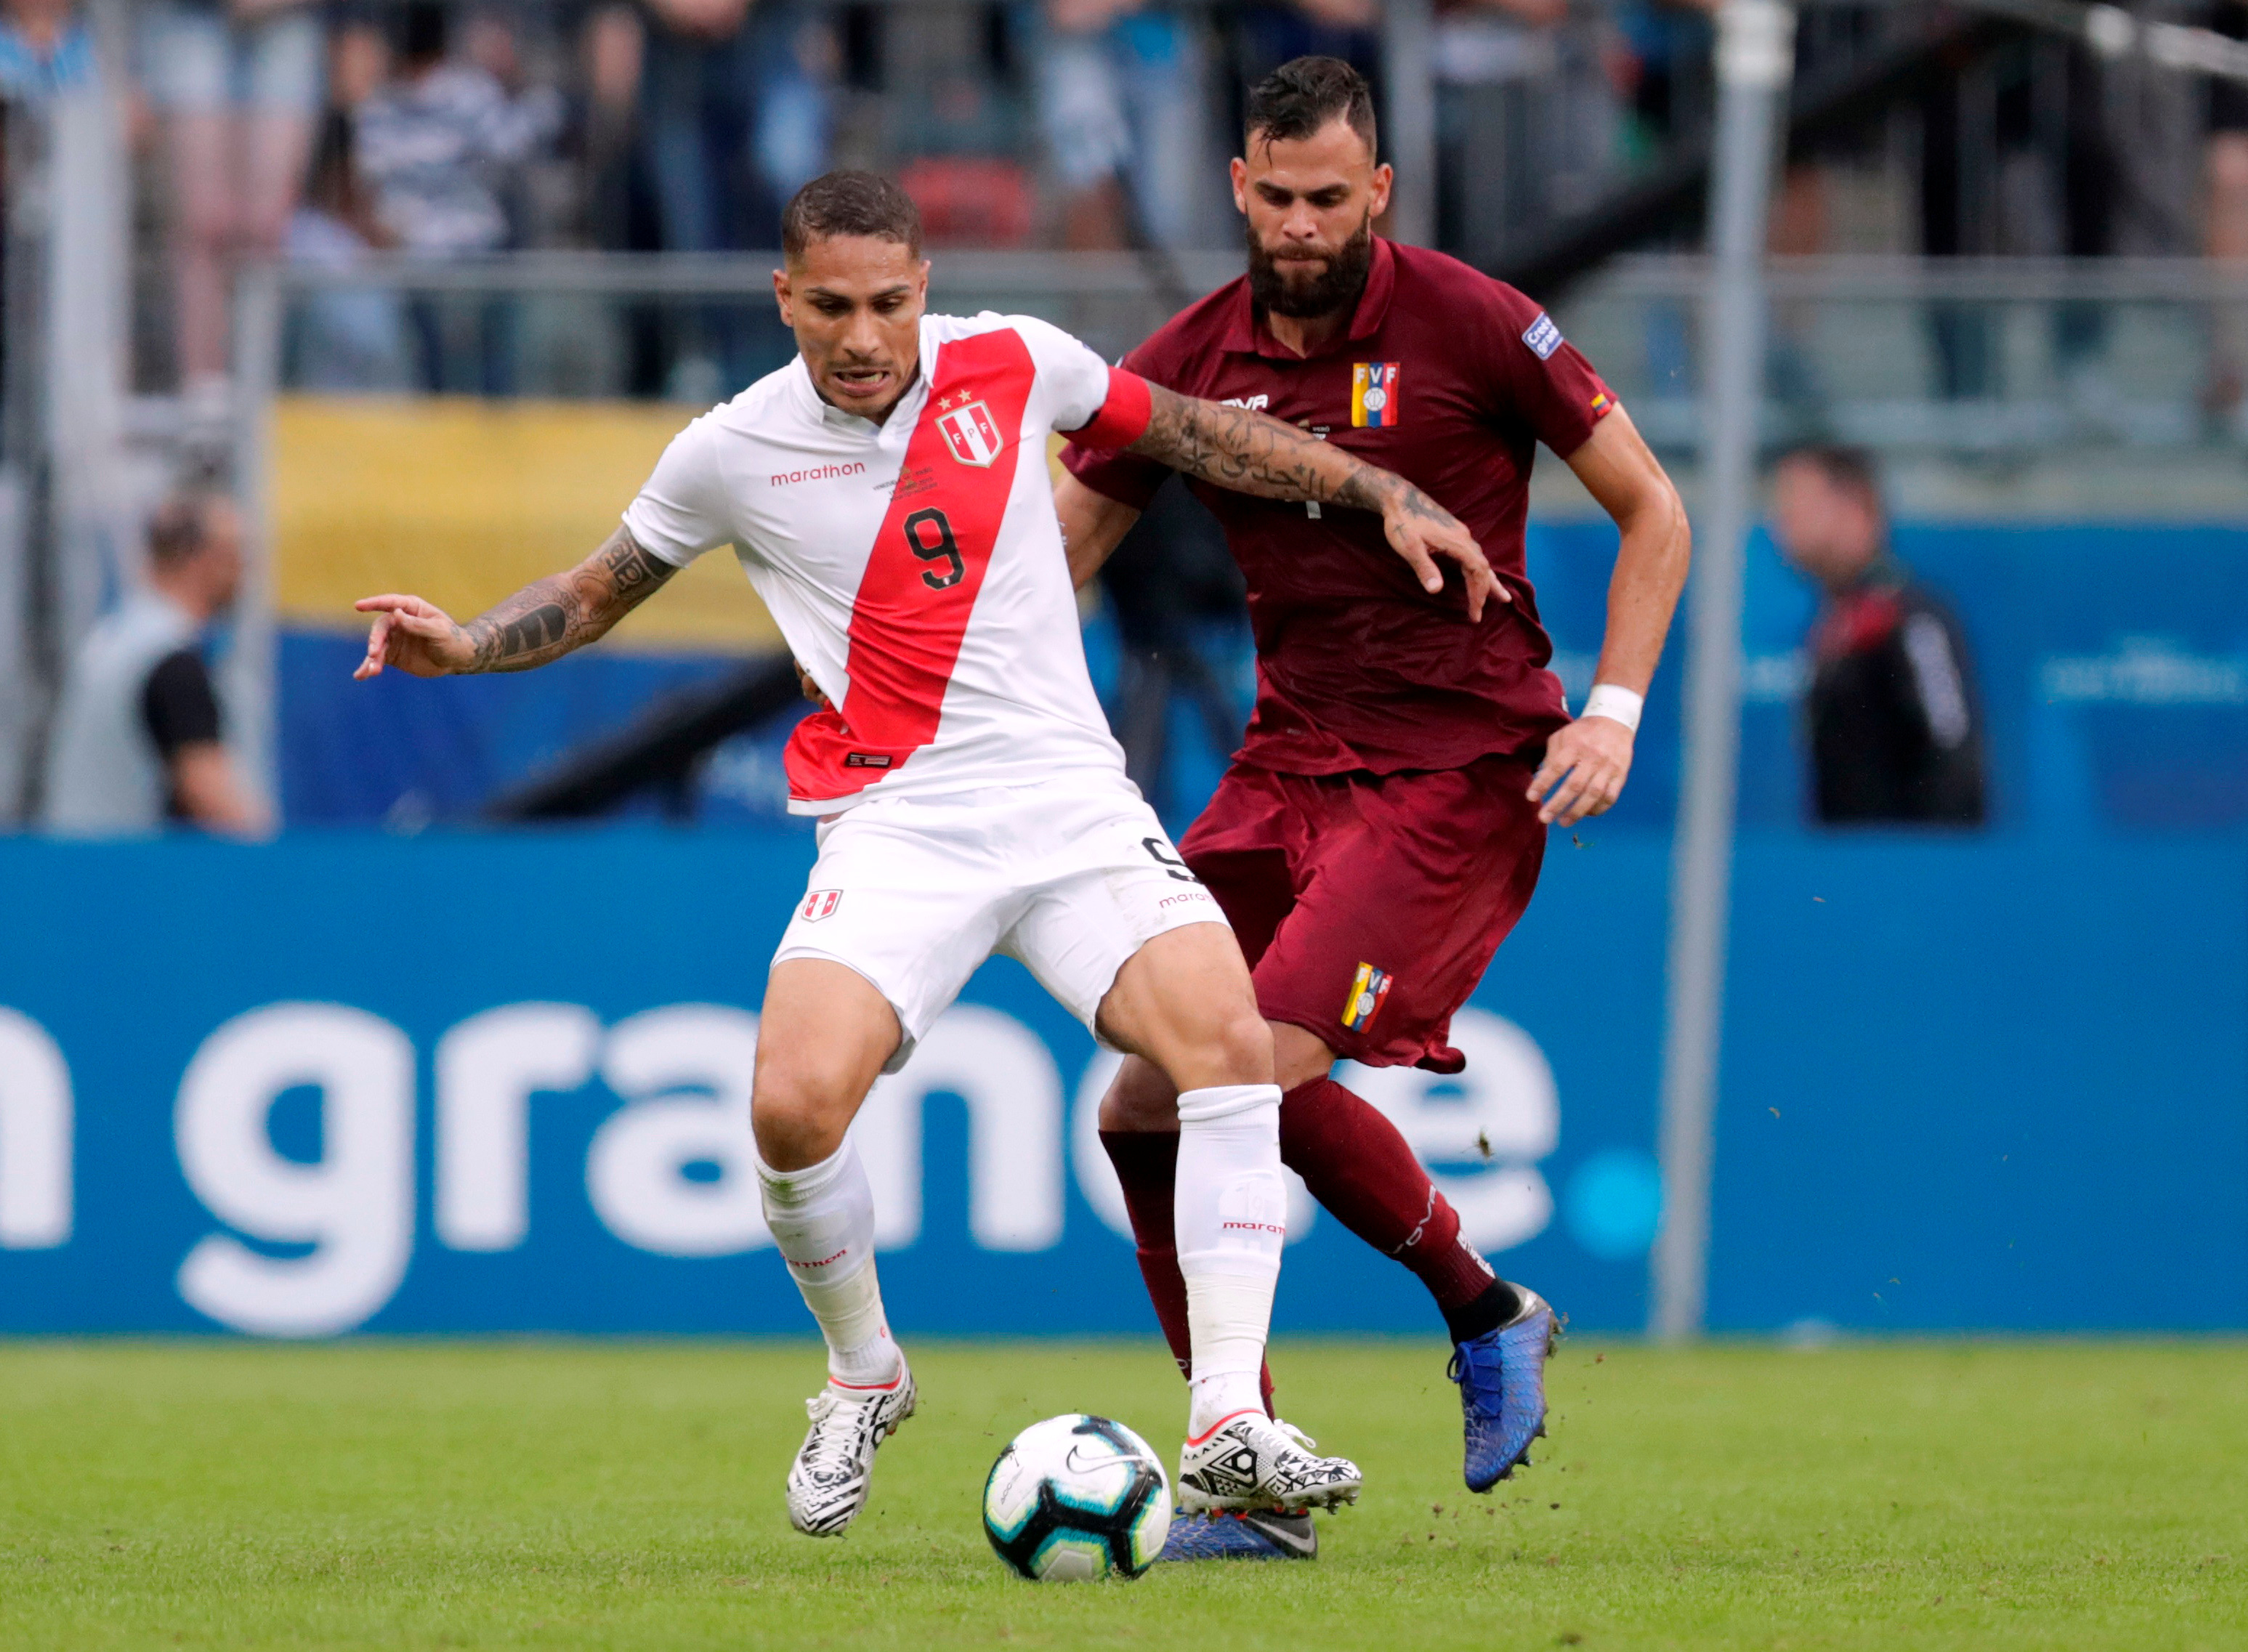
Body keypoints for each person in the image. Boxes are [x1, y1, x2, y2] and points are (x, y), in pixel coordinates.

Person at [351, 169, 1499, 1539]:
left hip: (1068, 799)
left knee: (1224, 1045)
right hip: (898, 822)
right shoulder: (728, 449)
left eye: (889, 302)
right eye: (830, 304)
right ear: (783, 297)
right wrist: (470, 640)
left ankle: (1227, 1423)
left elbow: (1197, 433)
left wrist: (1378, 489)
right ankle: (863, 1369)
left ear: (923, 291)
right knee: (787, 1110)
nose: (862, 334)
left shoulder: (1015, 362)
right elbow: (597, 588)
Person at [1056, 56, 1690, 1560]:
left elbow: (1652, 510)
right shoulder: (1191, 358)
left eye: (1325, 198)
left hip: (1458, 770)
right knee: (1139, 1103)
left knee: (1247, 1068)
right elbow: (1062, 545)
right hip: (1287, 762)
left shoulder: (1473, 322)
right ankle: (1277, 1459)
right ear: (1235, 187)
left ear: (1378, 192)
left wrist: (1610, 711)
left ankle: (1451, 1327)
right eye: (1271, 197)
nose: (1295, 225)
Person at [1768, 445, 1986, 827]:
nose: (1782, 519)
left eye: (1798, 500)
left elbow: (1954, 755)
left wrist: (1931, 877)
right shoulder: (1829, 629)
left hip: (1909, 876)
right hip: (1847, 876)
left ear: (1855, 506)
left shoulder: (1912, 620)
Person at [137, 0, 326, 440]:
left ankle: (257, 392)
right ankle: (204, 400)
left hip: (287, 21)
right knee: (204, 226)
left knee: (264, 229)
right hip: (189, 18)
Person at [41, 491, 269, 836]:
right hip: (129, 879)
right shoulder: (170, 662)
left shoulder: (112, 642)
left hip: (77, 868)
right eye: (235, 555)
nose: (244, 572)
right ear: (199, 559)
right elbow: (213, 794)